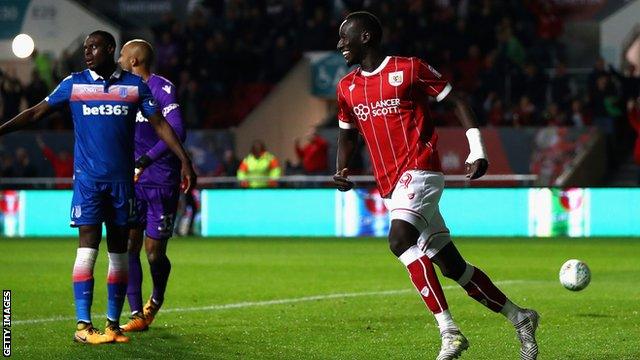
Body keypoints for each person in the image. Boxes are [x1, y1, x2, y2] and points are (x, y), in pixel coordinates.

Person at [333, 12, 539, 360]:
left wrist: (478, 150)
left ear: (365, 37)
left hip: (421, 170)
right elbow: (346, 135)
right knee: (452, 266)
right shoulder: (347, 87)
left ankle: (450, 332)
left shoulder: (409, 68)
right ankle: (520, 317)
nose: (339, 44)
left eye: (344, 37)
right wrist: (342, 169)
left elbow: (457, 101)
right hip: (391, 185)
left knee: (399, 241)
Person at [0, 30, 196, 345]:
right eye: (85, 47)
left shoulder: (134, 87)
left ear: (110, 49)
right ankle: (83, 325)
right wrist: (2, 130)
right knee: (88, 247)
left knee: (120, 253)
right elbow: (37, 111)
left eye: (94, 46)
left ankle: (112, 326)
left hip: (123, 183)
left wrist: (184, 160)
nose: (87, 51)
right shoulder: (74, 83)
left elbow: (161, 123)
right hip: (89, 182)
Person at [116, 39, 186, 332]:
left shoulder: (162, 88)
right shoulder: (121, 91)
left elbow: (178, 129)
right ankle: (136, 313)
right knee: (129, 246)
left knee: (154, 252)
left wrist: (145, 159)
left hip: (160, 180)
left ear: (134, 60)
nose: (118, 59)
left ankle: (156, 298)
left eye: (122, 55)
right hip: (132, 181)